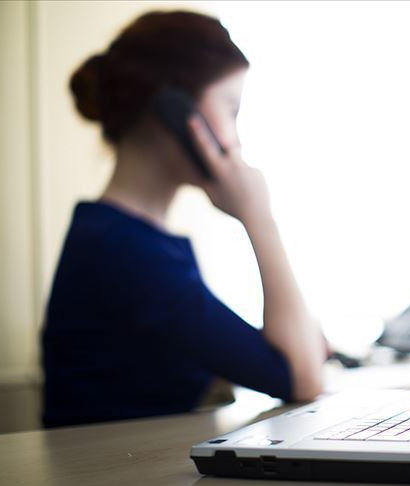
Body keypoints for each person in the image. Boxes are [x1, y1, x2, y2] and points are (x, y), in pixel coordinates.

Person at [41, 10, 325, 428]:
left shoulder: (124, 236)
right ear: (174, 108)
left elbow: (299, 357)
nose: (235, 139)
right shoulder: (123, 250)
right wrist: (258, 217)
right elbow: (302, 379)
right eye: (231, 109)